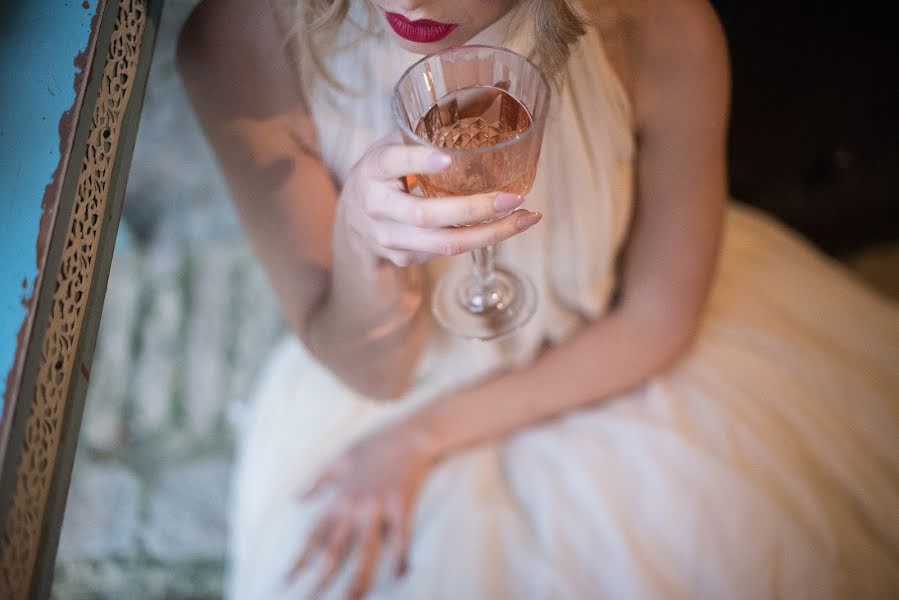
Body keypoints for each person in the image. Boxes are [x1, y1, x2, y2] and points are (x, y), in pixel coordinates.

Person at [177, 0, 899, 597]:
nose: (409, 2)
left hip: (613, 359)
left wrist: (421, 437)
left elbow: (657, 318)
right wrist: (363, 246)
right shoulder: (242, 46)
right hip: (393, 385)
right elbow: (377, 376)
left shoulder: (658, 26)